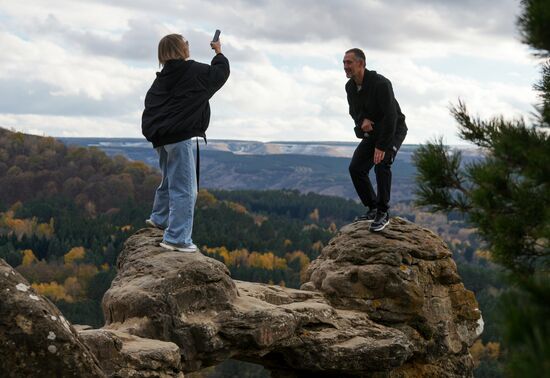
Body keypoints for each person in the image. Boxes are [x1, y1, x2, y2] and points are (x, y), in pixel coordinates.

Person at [141, 33, 230, 251]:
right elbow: (219, 74)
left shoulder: (161, 78)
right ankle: (177, 238)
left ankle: (159, 219)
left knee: (170, 180)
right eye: (186, 44)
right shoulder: (192, 71)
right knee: (186, 189)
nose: (188, 47)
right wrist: (219, 52)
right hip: (179, 138)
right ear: (182, 49)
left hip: (160, 138)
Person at [344, 48, 407, 232]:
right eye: (344, 63)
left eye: (349, 62)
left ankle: (383, 212)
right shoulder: (350, 87)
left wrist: (382, 146)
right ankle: (372, 207)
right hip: (373, 131)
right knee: (356, 168)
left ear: (361, 64)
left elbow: (391, 116)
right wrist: (361, 120)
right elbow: (353, 111)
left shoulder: (381, 84)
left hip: (393, 129)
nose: (346, 66)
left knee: (382, 163)